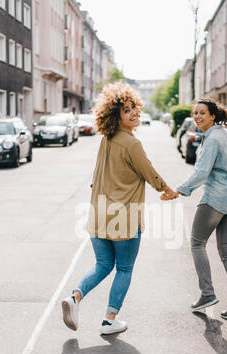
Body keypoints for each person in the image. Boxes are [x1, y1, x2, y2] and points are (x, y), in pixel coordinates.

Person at [62, 81, 178, 335]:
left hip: (98, 213)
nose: (134, 113)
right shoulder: (131, 144)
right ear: (115, 115)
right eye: (127, 110)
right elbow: (149, 172)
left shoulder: (107, 139)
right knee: (124, 268)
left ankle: (75, 298)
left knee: (103, 264)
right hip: (123, 216)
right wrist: (167, 190)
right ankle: (109, 320)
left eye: (135, 107)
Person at [162, 97, 227, 320]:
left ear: (213, 115)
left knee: (196, 243)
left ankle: (207, 294)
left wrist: (178, 191)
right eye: (195, 113)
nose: (198, 117)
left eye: (202, 113)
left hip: (215, 199)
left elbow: (201, 172)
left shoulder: (212, 139)